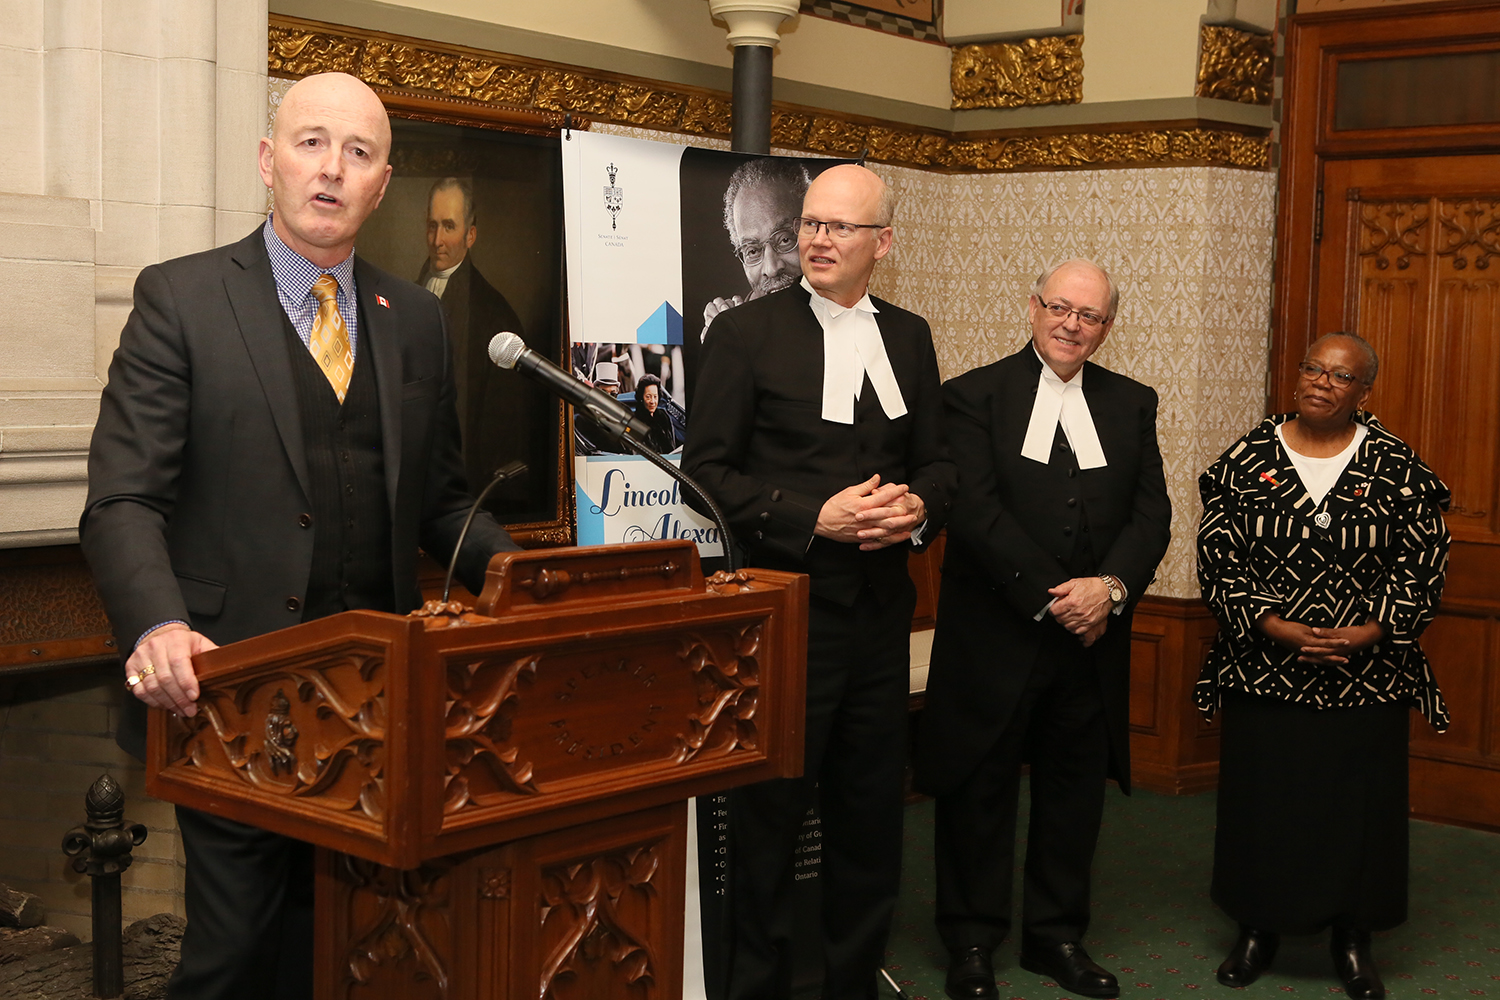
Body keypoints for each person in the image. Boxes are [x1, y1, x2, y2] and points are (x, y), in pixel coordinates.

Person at [79, 72, 518, 1000]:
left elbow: (443, 504)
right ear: (267, 161)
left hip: (375, 701)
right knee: (233, 956)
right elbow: (123, 500)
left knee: (346, 950)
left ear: (382, 182)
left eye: (357, 153)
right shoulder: (181, 300)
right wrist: (157, 626)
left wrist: (527, 574)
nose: (332, 169)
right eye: (311, 143)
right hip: (230, 695)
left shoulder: (418, 321)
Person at [684, 162, 956, 1000]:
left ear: (883, 242)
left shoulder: (907, 336)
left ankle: (851, 983)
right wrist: (813, 517)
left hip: (879, 620)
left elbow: (941, 464)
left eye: (840, 227)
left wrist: (915, 511)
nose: (817, 239)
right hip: (787, 617)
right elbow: (707, 473)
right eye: (811, 224)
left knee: (871, 820)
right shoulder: (745, 334)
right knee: (768, 823)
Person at [915, 259, 1171, 1000]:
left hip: (1092, 642)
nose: (1071, 325)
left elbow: (1151, 514)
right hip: (997, 634)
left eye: (1088, 316)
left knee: (1073, 794)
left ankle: (1057, 937)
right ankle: (970, 940)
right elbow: (975, 512)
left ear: (1107, 327)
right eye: (1060, 308)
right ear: (1032, 308)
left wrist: (1111, 590)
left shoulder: (1131, 403)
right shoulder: (972, 396)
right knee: (979, 791)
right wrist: (1055, 596)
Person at [1195, 332, 1450, 1000]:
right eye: (1312, 368)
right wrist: (1272, 625)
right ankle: (1257, 929)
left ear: (1363, 392)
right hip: (1264, 669)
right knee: (1264, 802)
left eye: (1340, 376)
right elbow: (1218, 555)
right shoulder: (1247, 459)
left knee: (1356, 810)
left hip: (1367, 674)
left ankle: (1353, 937)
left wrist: (1370, 630)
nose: (1320, 382)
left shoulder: (1395, 465)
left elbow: (1423, 562)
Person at [416, 176, 543, 510]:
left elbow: (501, 430)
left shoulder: (495, 316)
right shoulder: (409, 292)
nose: (438, 240)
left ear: (470, 234)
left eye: (449, 226)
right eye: (432, 226)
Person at [699, 156, 812, 341]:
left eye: (784, 240)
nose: (771, 269)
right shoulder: (732, 330)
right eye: (752, 251)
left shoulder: (851, 320)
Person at [631, 373, 678, 453]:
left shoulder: (663, 417)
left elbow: (672, 446)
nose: (652, 401)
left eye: (655, 396)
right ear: (641, 397)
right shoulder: (635, 420)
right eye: (648, 397)